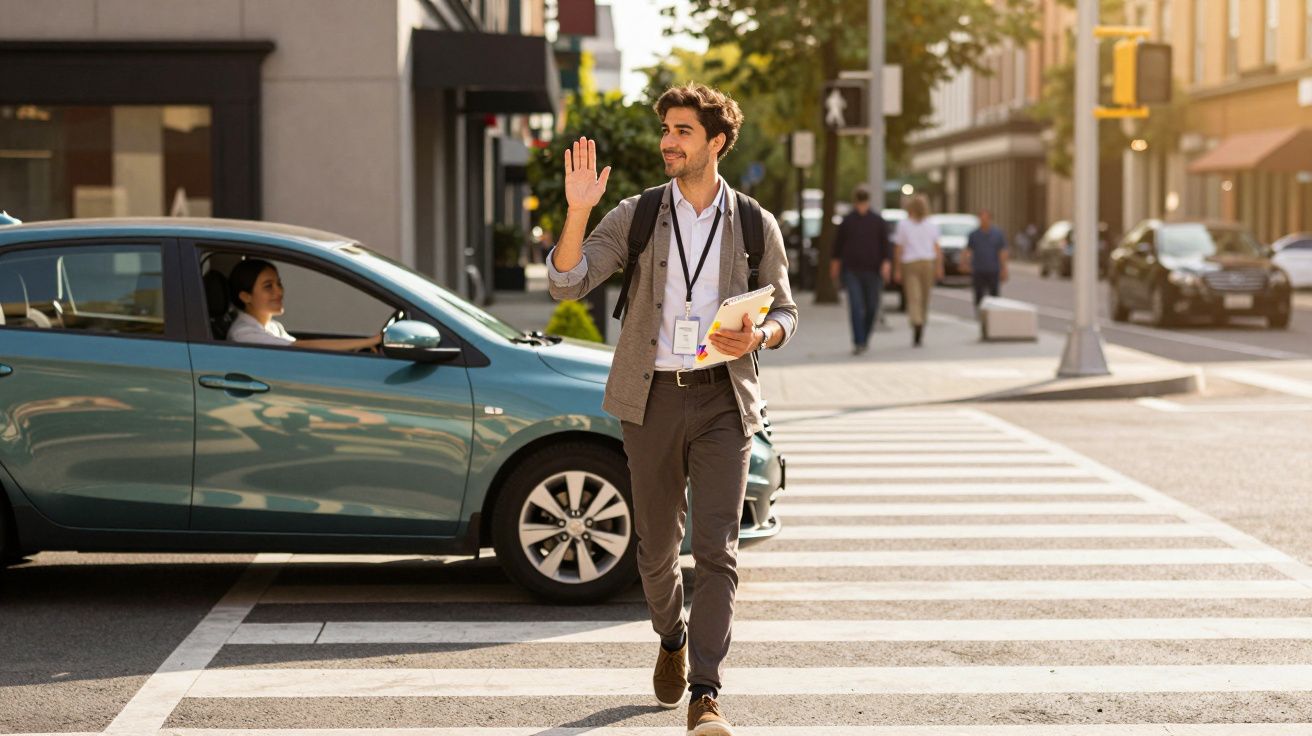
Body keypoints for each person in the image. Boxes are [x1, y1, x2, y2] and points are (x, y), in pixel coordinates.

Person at [546, 83, 797, 736]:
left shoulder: (750, 221)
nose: (667, 141)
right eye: (665, 128)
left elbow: (788, 311)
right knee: (656, 550)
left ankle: (706, 694)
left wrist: (761, 334)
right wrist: (577, 213)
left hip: (723, 400)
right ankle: (670, 636)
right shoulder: (637, 213)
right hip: (651, 397)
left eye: (682, 130)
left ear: (715, 141)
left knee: (716, 551)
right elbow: (566, 280)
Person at [226, 258, 382, 352]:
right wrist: (371, 341)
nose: (279, 292)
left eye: (279, 284)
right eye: (268, 286)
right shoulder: (243, 333)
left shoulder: (273, 327)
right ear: (246, 296)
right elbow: (305, 347)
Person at [829, 184, 891, 355]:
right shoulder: (847, 221)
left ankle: (864, 336)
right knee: (856, 306)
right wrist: (835, 268)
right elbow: (837, 247)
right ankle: (859, 341)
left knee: (872, 307)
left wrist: (886, 264)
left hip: (873, 271)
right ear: (856, 202)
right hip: (852, 271)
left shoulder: (877, 221)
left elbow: (886, 246)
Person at [892, 194, 943, 347]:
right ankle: (921, 322)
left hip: (910, 262)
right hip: (927, 262)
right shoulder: (931, 225)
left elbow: (899, 249)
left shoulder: (904, 225)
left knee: (914, 297)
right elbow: (937, 249)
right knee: (925, 297)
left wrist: (897, 269)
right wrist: (939, 267)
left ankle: (916, 321)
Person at [963, 208, 1010, 310]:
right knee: (979, 294)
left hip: (993, 269)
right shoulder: (974, 235)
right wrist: (965, 263)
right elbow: (968, 250)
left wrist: (1004, 269)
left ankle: (993, 316)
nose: (983, 221)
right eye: (981, 218)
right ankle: (980, 315)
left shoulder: (997, 234)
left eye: (985, 218)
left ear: (990, 219)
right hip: (978, 269)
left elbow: (1002, 252)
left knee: (994, 295)